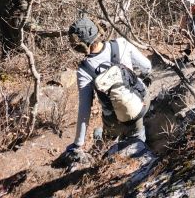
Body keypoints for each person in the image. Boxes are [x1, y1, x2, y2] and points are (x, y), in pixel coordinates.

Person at [61, 16, 152, 163]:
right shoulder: (121, 44)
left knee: (109, 133)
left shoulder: (84, 70)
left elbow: (84, 110)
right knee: (136, 132)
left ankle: (106, 142)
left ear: (79, 45)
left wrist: (78, 143)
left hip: (113, 119)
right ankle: (140, 144)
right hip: (140, 105)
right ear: (98, 31)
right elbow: (147, 66)